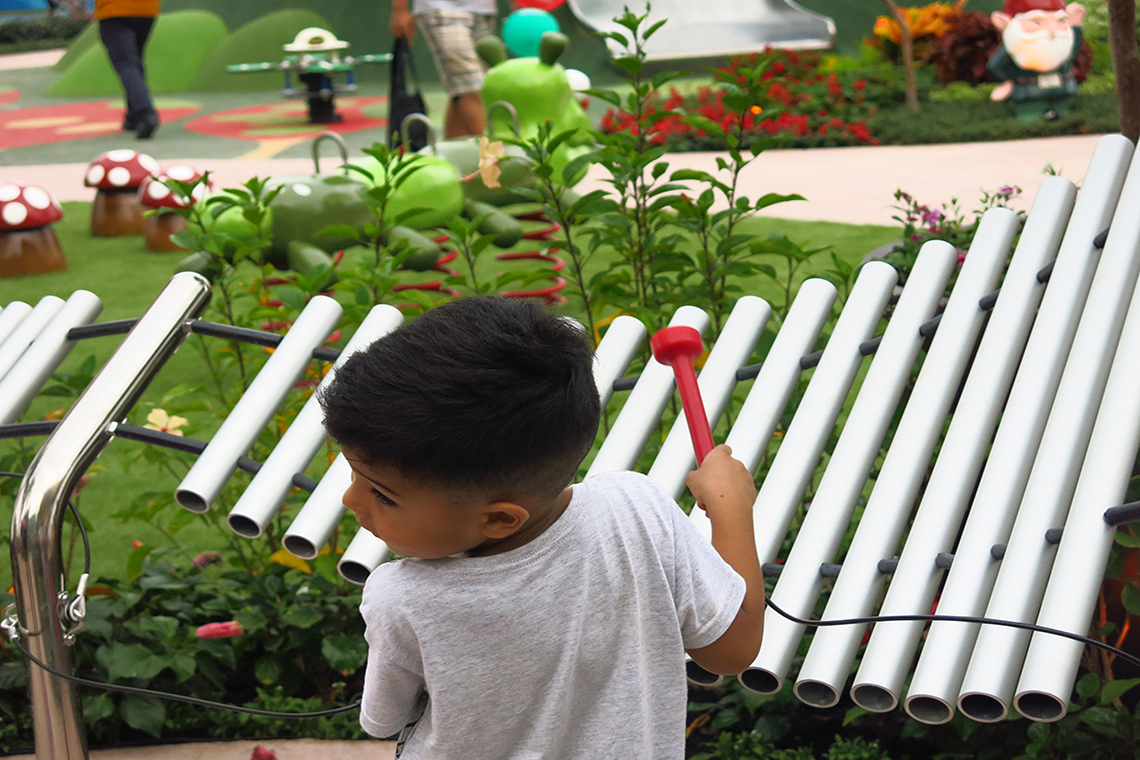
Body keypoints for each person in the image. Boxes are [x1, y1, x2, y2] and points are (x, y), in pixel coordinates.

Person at [319, 296, 766, 759]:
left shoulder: (402, 596)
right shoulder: (638, 509)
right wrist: (731, 506)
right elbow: (733, 650)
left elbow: (383, 719)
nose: (351, 500)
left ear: (499, 519)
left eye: (382, 494)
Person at [390, 0, 494, 138]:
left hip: (484, 9)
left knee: (462, 90)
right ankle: (493, 155)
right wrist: (400, 9)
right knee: (471, 86)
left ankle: (451, 154)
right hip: (441, 8)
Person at [987, 0, 1085, 115]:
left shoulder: (1061, 43)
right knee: (1030, 116)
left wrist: (1075, 28)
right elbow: (994, 66)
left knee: (1063, 115)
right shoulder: (1015, 44)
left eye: (1060, 20)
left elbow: (1071, 54)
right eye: (1036, 22)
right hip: (1028, 91)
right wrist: (1005, 82)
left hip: (1062, 88)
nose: (1052, 30)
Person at [95, 0, 160, 139]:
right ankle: (134, 117)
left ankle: (145, 114)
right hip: (146, 10)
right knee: (135, 63)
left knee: (126, 64)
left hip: (114, 10)